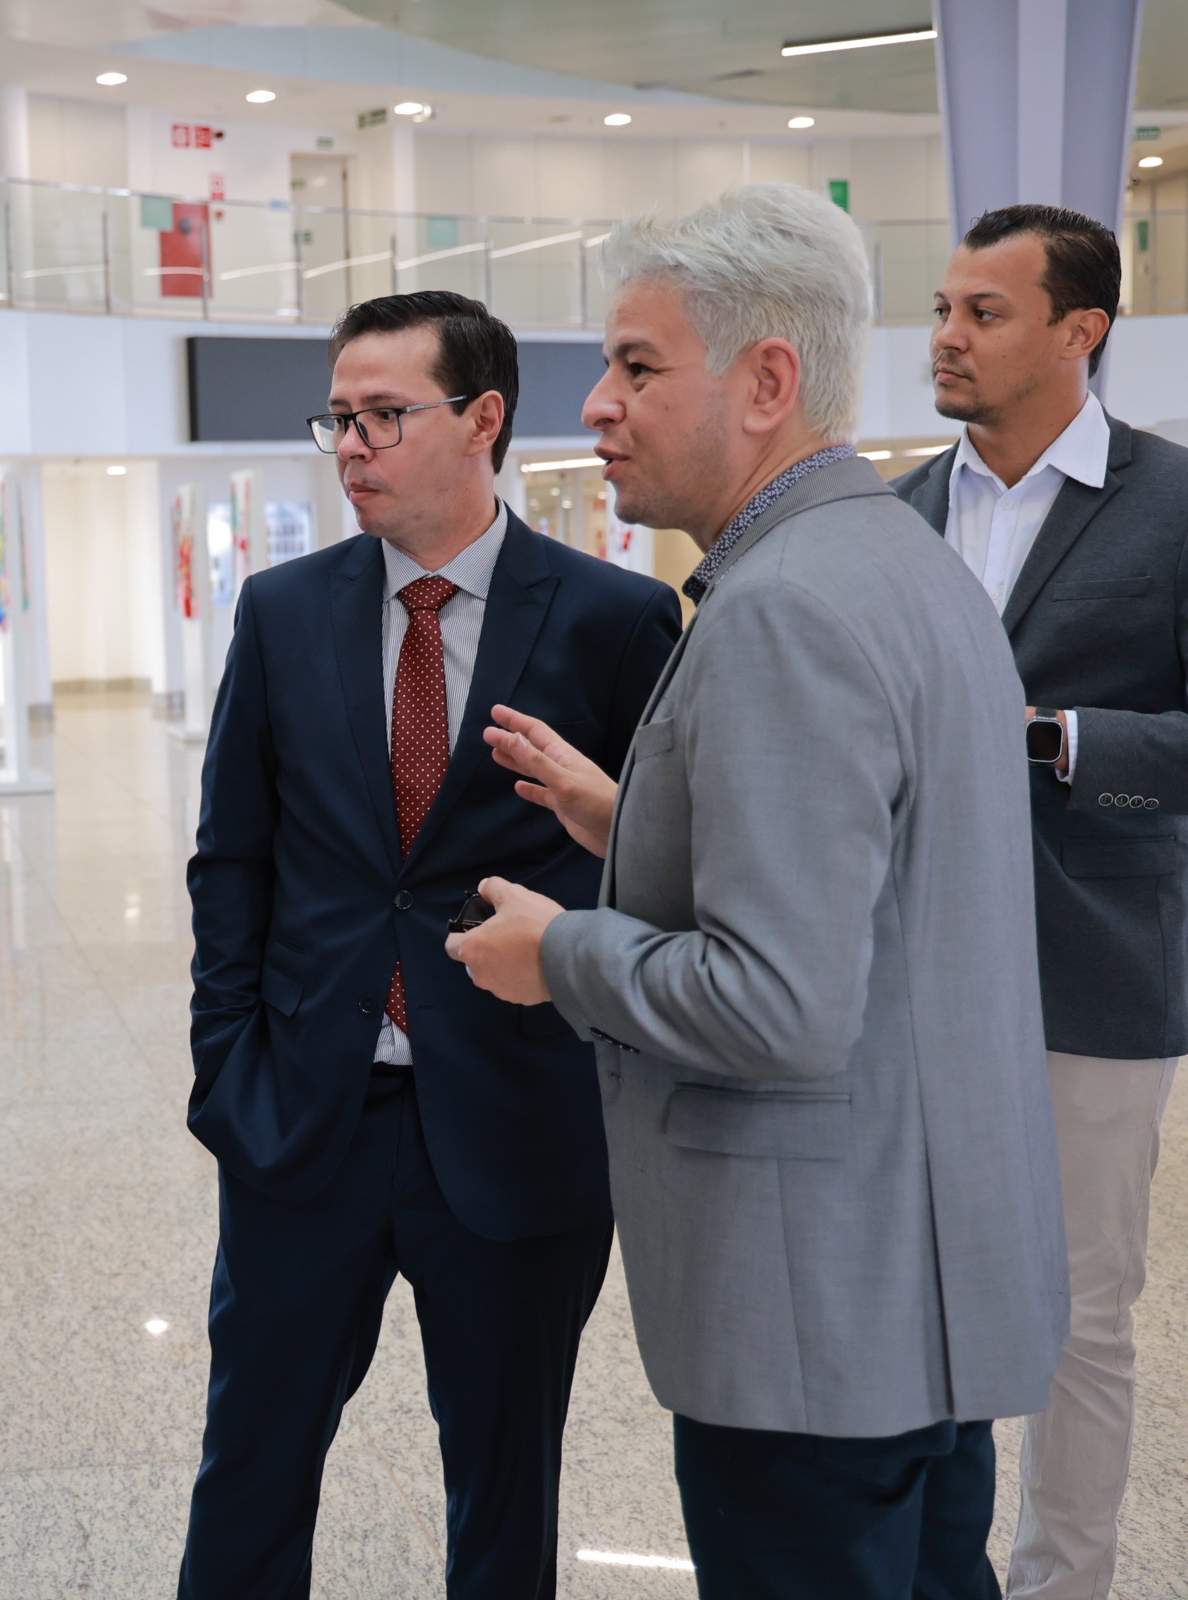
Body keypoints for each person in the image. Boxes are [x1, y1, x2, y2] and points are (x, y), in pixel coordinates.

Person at [448, 184, 1069, 1598]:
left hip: (812, 1331)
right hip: (917, 1293)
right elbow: (888, 893)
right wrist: (631, 818)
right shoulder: (904, 563)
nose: (597, 404)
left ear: (768, 382)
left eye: (638, 365)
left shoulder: (782, 606)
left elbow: (780, 1006)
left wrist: (563, 950)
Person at [179, 291, 681, 1599]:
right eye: (339, 417)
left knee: (504, 1489)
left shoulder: (615, 619)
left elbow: (661, 870)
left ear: (483, 419)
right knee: (252, 1463)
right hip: (306, 1122)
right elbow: (233, 858)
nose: (352, 444)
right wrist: (229, 1068)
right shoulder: (282, 612)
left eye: (386, 415)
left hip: (519, 1122)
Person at [891, 203, 1188, 1600]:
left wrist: (1054, 738)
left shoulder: (1173, 503)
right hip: (904, 971)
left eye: (984, 313)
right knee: (912, 1288)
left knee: (1080, 1314)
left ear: (1083, 331)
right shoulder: (898, 513)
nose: (947, 337)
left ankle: (1063, 1584)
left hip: (1096, 965)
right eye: (943, 309)